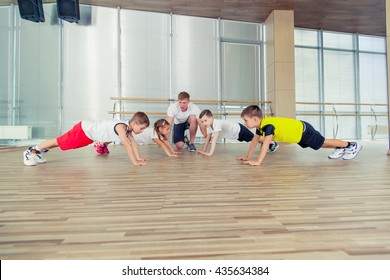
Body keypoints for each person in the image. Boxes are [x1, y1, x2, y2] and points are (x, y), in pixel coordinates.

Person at [238, 105, 362, 166]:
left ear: (254, 119)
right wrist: (248, 156)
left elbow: (265, 145)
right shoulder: (261, 126)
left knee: (324, 142)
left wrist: (258, 161)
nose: (245, 123)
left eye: (246, 120)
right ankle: (341, 147)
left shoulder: (268, 126)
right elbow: (255, 141)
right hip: (299, 135)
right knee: (320, 145)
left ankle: (351, 145)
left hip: (304, 131)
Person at [23, 112, 150, 167]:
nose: (142, 131)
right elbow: (127, 145)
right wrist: (134, 162)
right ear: (133, 123)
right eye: (142, 128)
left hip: (88, 136)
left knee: (63, 144)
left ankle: (38, 152)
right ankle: (31, 151)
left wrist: (139, 158)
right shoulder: (122, 127)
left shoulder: (128, 129)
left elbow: (133, 143)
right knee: (59, 141)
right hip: (84, 130)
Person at [198, 109, 279, 156]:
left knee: (254, 139)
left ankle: (272, 142)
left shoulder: (217, 124)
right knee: (253, 139)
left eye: (205, 120)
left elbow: (214, 140)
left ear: (211, 118)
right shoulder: (209, 126)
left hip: (239, 130)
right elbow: (208, 139)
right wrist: (204, 150)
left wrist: (210, 153)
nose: (204, 123)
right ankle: (267, 142)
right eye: (202, 121)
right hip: (237, 134)